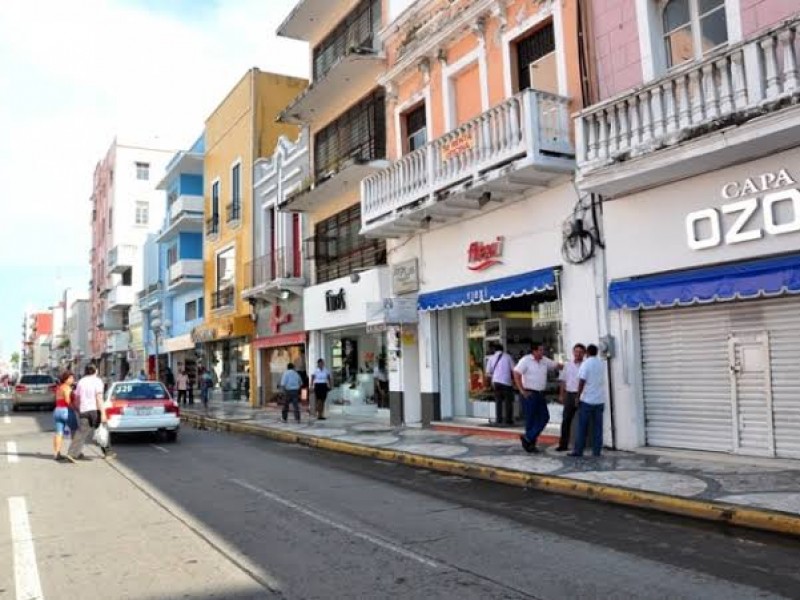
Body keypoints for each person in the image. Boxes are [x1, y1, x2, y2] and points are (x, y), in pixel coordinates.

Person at [513, 343, 562, 453]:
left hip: (540, 394)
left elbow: (556, 365)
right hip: (529, 393)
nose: (542, 352)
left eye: (543, 350)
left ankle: (528, 437)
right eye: (540, 350)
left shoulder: (544, 360)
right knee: (531, 420)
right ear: (534, 351)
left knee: (544, 417)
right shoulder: (525, 360)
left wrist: (570, 365)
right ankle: (531, 444)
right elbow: (516, 373)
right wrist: (522, 390)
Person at [67, 364, 116, 461]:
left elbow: (77, 398)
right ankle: (108, 452)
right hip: (95, 410)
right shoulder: (98, 381)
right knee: (102, 430)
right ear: (96, 371)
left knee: (81, 432)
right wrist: (103, 413)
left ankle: (72, 453)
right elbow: (99, 398)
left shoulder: (81, 381)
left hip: (84, 410)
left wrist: (78, 408)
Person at [570, 344, 606, 458]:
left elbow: (582, 381)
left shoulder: (586, 364)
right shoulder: (601, 363)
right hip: (600, 400)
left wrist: (577, 396)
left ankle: (578, 451)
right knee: (598, 427)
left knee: (582, 427)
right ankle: (597, 451)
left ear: (587, 353)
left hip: (587, 400)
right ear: (596, 352)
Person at [556, 343, 586, 451]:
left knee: (583, 420)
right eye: (576, 351)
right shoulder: (568, 365)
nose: (578, 354)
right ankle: (563, 444)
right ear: (573, 352)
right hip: (569, 394)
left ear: (584, 353)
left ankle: (581, 445)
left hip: (582, 395)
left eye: (580, 352)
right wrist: (561, 395)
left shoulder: (585, 365)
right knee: (566, 420)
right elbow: (563, 381)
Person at [486, 343, 516, 426]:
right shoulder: (508, 357)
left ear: (494, 350)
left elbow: (488, 372)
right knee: (508, 401)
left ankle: (498, 419)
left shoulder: (491, 358)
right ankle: (508, 420)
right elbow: (514, 369)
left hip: (496, 382)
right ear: (503, 349)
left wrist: (489, 383)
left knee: (498, 401)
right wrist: (514, 381)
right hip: (506, 382)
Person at [52, 371, 75, 461]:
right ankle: (74, 452)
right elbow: (68, 401)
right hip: (66, 411)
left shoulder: (59, 388)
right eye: (71, 378)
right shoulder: (67, 388)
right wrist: (75, 408)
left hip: (57, 410)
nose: (73, 380)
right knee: (75, 432)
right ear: (66, 379)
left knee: (59, 433)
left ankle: (56, 453)